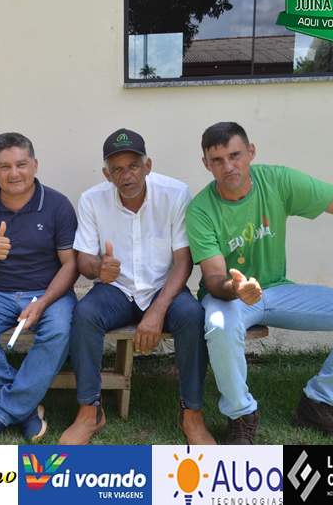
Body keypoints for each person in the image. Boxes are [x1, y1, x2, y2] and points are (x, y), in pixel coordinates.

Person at [187, 121, 333, 445]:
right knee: (218, 324)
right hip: (231, 296)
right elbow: (213, 278)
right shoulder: (201, 209)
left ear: (250, 152)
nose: (228, 166)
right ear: (206, 164)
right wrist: (236, 288)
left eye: (235, 155)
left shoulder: (277, 181)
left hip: (278, 289)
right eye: (217, 160)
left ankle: (319, 403)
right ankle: (241, 414)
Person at [60, 128, 215, 445]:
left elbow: (183, 261)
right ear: (107, 174)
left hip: (163, 287)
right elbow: (84, 260)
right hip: (116, 289)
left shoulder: (175, 194)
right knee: (85, 314)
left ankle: (192, 413)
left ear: (148, 166)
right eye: (117, 169)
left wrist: (157, 311)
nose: (126, 175)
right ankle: (90, 411)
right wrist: (99, 268)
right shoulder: (92, 200)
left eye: (133, 166)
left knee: (193, 315)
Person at [0, 132, 79, 445]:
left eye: (21, 164)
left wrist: (43, 302)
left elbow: (71, 265)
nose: (14, 173)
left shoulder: (58, 204)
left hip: (50, 292)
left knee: (59, 332)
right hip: (0, 292)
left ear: (35, 165)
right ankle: (24, 408)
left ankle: (1, 414)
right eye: (5, 166)